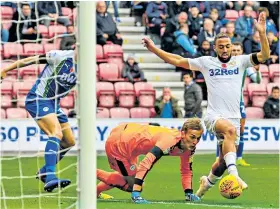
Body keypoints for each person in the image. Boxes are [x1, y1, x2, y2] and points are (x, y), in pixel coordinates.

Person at [142, 11, 270, 199]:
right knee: (229, 132)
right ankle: (235, 177)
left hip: (233, 118)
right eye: (221, 47)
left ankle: (203, 187)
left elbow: (265, 55)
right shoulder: (206, 63)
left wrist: (261, 33)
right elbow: (177, 60)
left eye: (227, 46)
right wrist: (154, 49)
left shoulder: (241, 62)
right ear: (215, 48)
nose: (225, 49)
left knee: (222, 162)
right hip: (214, 116)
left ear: (231, 45)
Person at [1, 49, 78, 192]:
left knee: (69, 142)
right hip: (39, 99)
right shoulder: (60, 56)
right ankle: (50, 177)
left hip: (54, 104)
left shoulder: (86, 69)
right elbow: (29, 60)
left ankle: (43, 172)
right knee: (55, 133)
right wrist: (6, 69)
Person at [96, 120, 204, 203]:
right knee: (132, 184)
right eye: (192, 137)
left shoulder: (188, 147)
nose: (195, 142)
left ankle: (95, 192)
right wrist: (136, 193)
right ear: (183, 133)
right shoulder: (169, 141)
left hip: (130, 137)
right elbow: (146, 163)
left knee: (128, 175)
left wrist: (188, 193)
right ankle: (89, 171)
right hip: (119, 143)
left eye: (198, 138)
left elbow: (186, 170)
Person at [216, 42, 262, 166]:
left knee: (240, 129)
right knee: (222, 130)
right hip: (223, 101)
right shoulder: (223, 65)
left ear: (241, 52)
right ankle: (218, 157)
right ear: (230, 50)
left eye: (238, 50)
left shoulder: (245, 65)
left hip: (238, 101)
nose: (236, 52)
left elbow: (257, 80)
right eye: (234, 50)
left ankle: (239, 157)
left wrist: (258, 71)